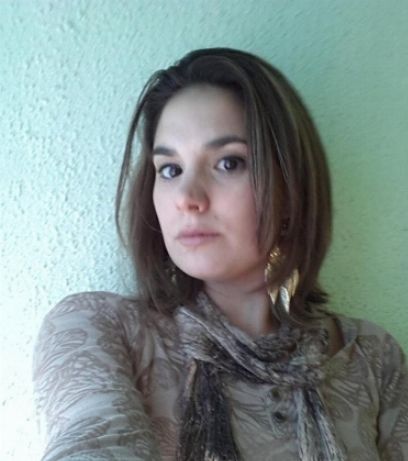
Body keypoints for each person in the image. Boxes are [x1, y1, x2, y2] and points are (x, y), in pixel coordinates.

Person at [33, 48, 408, 461]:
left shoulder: (373, 358)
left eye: (229, 163)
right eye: (170, 169)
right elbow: (91, 438)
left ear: (290, 188)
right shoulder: (100, 329)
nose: (187, 197)